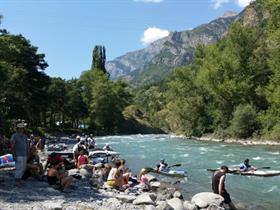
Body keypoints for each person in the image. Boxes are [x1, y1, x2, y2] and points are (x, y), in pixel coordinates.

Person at [10, 120, 29, 186]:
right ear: (18, 128)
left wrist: (27, 153)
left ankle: (19, 179)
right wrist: (13, 155)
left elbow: (27, 146)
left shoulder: (25, 136)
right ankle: (17, 181)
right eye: (21, 128)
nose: (23, 129)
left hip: (24, 154)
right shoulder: (14, 136)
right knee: (19, 167)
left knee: (23, 167)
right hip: (18, 154)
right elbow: (12, 146)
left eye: (23, 128)